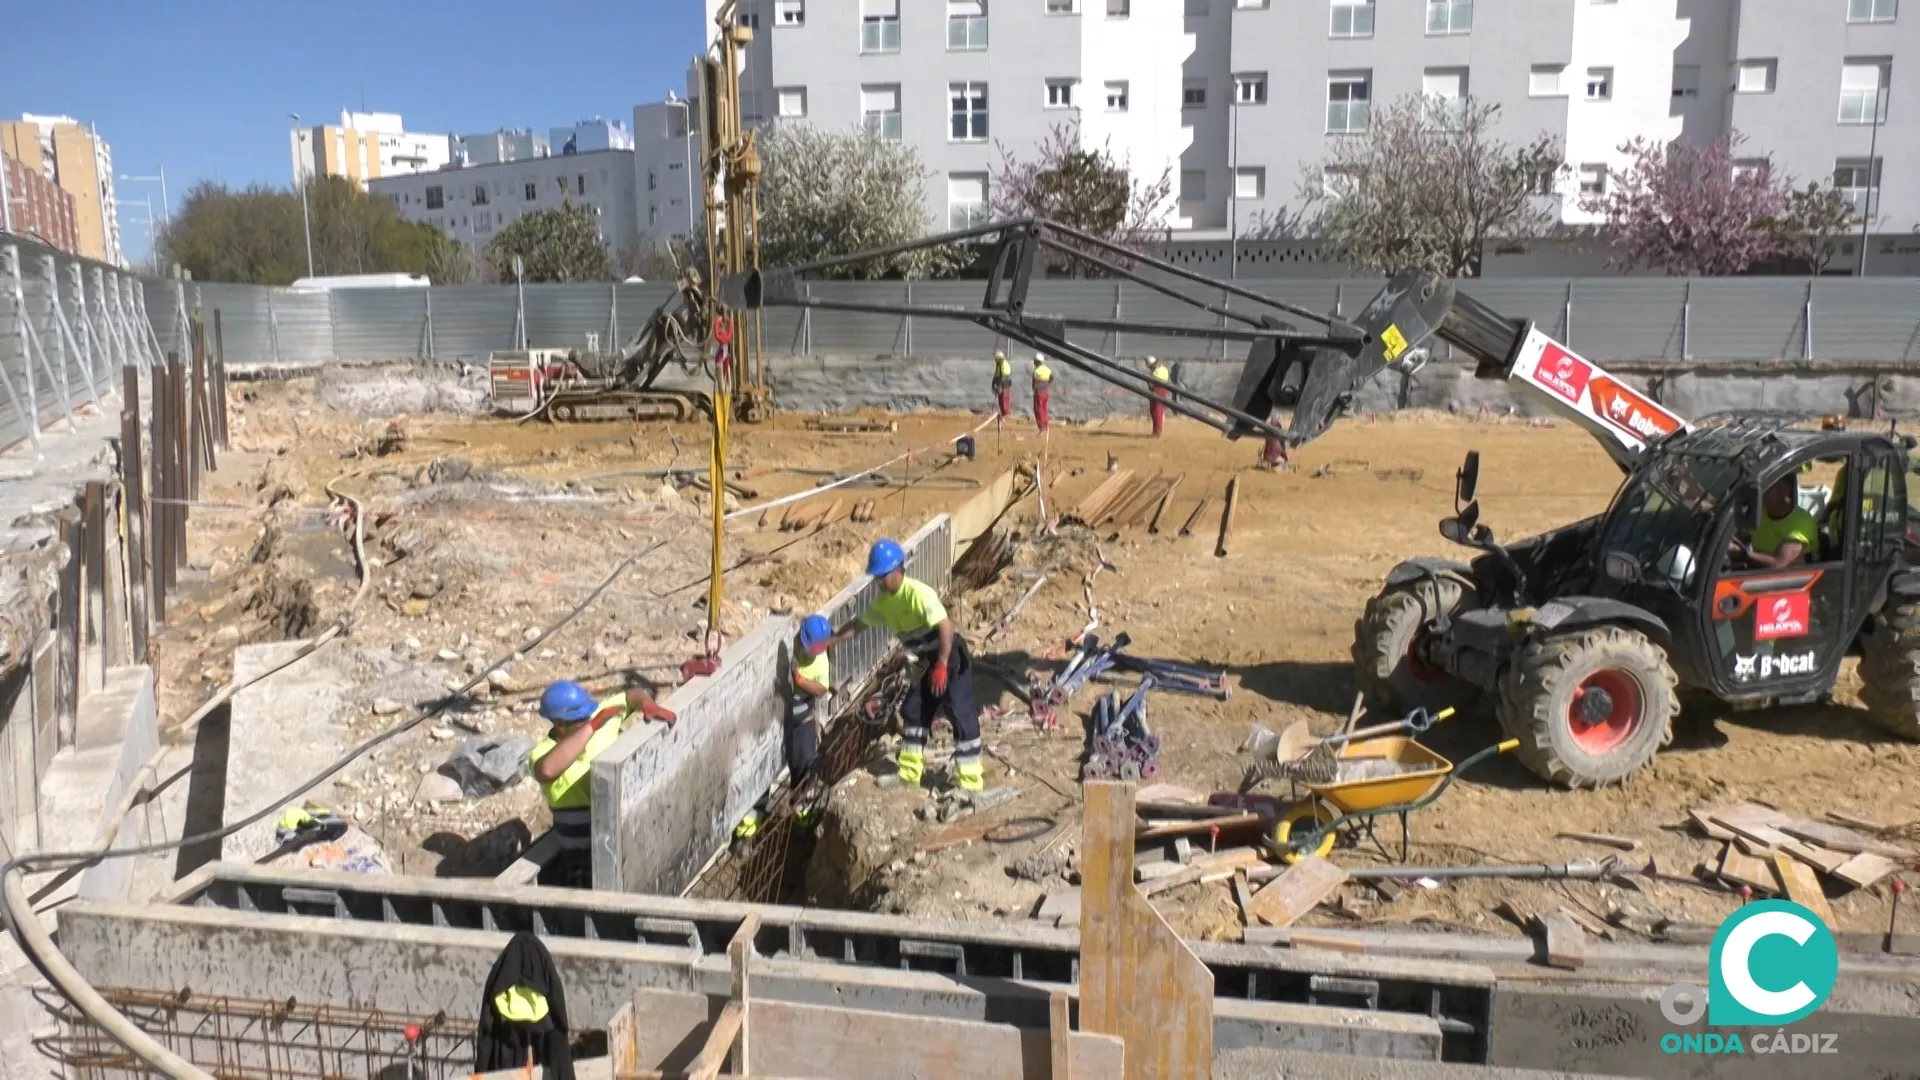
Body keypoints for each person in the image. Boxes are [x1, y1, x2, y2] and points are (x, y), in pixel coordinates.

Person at [822, 539, 984, 792]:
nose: (879, 582)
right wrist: (831, 639)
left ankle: (970, 784)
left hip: (947, 655)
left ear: (898, 569)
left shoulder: (918, 593)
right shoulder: (883, 603)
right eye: (877, 577)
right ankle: (909, 773)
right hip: (924, 661)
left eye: (882, 576)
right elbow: (857, 625)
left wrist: (942, 664)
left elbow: (945, 627)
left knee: (961, 713)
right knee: (914, 710)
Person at [529, 679, 675, 886]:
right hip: (581, 856)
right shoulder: (542, 753)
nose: (588, 718)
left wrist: (646, 703)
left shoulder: (602, 717)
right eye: (581, 719)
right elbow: (546, 770)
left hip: (623, 841)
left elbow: (631, 694)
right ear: (560, 724)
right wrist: (591, 727)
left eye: (589, 716)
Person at [1733, 474, 1816, 569]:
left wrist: (1741, 553)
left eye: (1768, 487)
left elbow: (1778, 564)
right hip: (1757, 575)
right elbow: (1739, 536)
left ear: (1784, 490)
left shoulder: (1802, 521)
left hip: (1789, 580)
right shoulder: (1759, 514)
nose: (1762, 492)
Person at [787, 614, 833, 784]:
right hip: (780, 721)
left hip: (802, 721)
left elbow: (822, 689)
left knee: (804, 766)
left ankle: (802, 808)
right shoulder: (790, 643)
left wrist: (800, 680)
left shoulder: (820, 661)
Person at [1147, 356, 1171, 437]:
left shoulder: (1156, 372)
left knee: (1156, 410)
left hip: (1157, 390)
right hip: (1162, 390)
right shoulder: (1164, 369)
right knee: (1158, 410)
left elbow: (1152, 384)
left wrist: (1150, 385)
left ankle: (1157, 431)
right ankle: (1157, 430)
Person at [1031, 353, 1054, 434]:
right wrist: (1047, 383)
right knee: (1044, 409)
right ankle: (1046, 424)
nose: (1033, 362)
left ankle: (1041, 427)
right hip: (1045, 392)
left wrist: (1034, 389)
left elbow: (1033, 384)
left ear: (1037, 362)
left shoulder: (1036, 371)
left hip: (1039, 392)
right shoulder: (1047, 369)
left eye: (1034, 361)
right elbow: (1052, 376)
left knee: (1038, 409)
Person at [991, 350, 1013, 420]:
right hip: (1000, 385)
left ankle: (1006, 415)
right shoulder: (998, 365)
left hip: (1004, 386)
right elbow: (996, 376)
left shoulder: (1004, 364)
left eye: (995, 359)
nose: (995, 360)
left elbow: (1004, 376)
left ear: (998, 358)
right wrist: (993, 385)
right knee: (1001, 401)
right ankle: (1003, 415)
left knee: (1004, 400)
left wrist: (1000, 386)